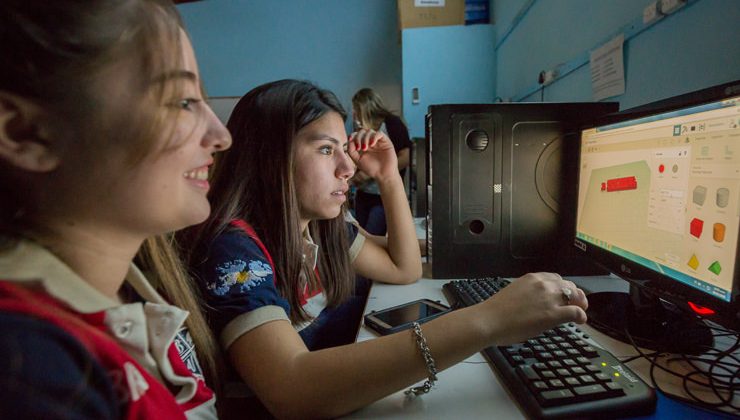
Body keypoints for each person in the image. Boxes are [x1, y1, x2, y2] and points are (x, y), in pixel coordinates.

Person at [185, 79, 589, 419]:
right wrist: (488, 320)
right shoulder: (234, 250)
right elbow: (291, 386)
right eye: (327, 150)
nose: (348, 167)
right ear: (269, 158)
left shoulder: (324, 229)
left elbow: (403, 269)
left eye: (344, 149)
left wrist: (390, 177)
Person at [0, 1, 231, 418]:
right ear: (26, 133)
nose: (221, 135)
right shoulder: (26, 367)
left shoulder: (132, 292)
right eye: (181, 101)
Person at [351, 87, 413, 235]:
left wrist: (370, 174)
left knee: (373, 236)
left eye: (356, 109)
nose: (355, 114)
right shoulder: (362, 129)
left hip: (383, 196)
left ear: (365, 107)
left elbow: (405, 158)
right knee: (362, 238)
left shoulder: (392, 124)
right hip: (363, 195)